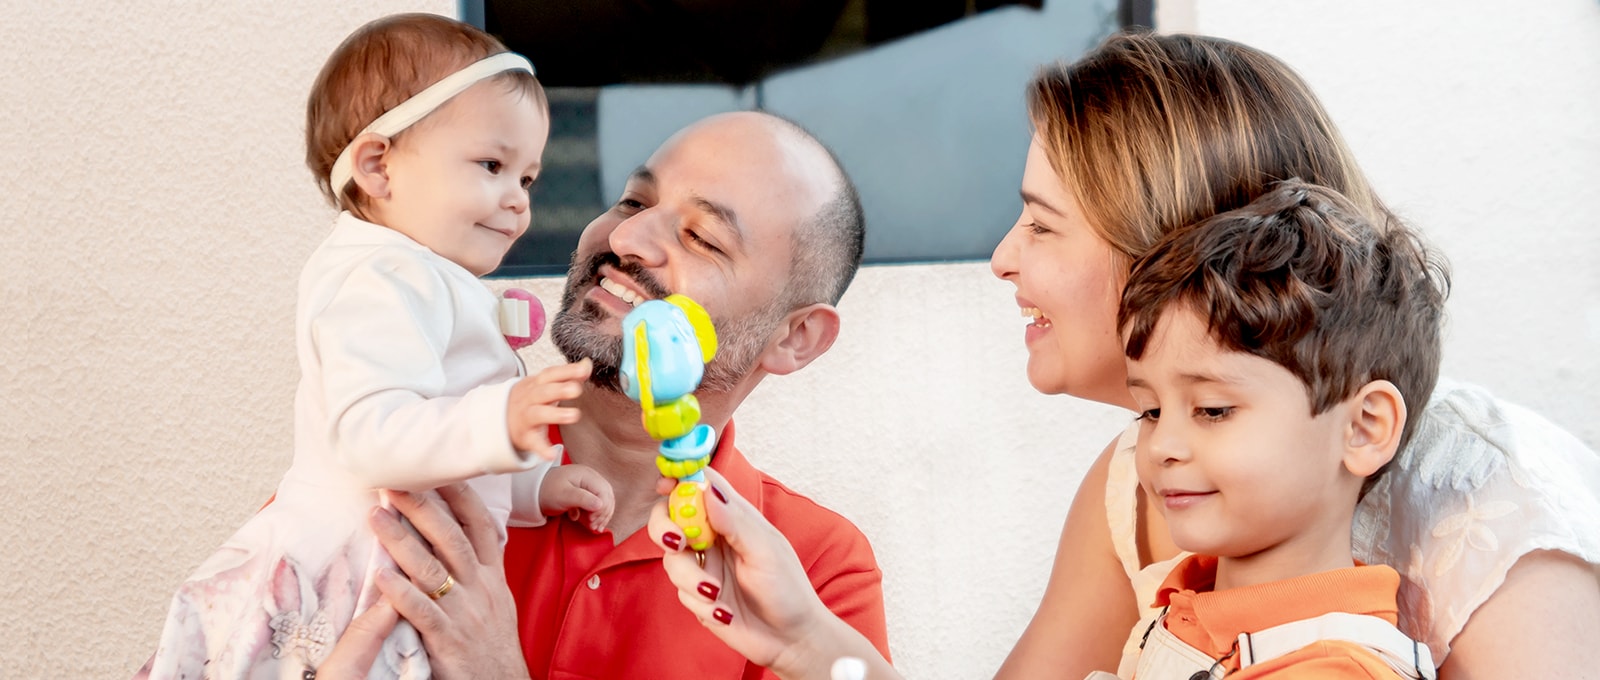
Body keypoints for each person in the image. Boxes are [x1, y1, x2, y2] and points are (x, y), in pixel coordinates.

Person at [639, 31, 1600, 680]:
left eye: (1043, 224)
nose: (1003, 258)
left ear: (1176, 246)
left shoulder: (1489, 506)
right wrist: (813, 642)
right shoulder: (1141, 483)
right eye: (1156, 412)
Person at [319, 110, 889, 679]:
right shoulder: (406, 441)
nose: (625, 238)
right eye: (634, 203)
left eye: (701, 237)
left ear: (795, 338)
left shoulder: (818, 574)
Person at [138, 14, 613, 679]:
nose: (517, 201)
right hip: (352, 579)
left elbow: (446, 447)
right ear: (378, 167)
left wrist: (537, 486)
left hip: (405, 577)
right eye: (492, 165)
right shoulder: (380, 276)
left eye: (528, 179)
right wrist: (501, 419)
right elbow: (373, 435)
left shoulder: (422, 275)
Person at [1103, 179, 1447, 679]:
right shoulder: (1180, 595)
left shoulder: (1335, 670)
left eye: (1214, 409)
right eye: (1151, 411)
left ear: (1365, 428)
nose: (1163, 447)